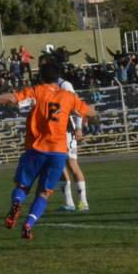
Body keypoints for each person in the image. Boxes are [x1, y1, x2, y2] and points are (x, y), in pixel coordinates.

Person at [0, 61, 94, 240]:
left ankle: (17, 203)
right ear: (58, 77)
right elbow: (89, 112)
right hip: (58, 152)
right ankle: (28, 224)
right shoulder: (68, 97)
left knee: (23, 186)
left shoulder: (37, 91)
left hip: (36, 148)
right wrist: (89, 116)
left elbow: (10, 98)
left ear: (41, 76)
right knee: (44, 193)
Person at [54, 70, 90, 212]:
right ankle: (69, 203)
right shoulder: (46, 86)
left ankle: (83, 202)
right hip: (54, 132)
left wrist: (79, 127)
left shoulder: (64, 85)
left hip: (66, 131)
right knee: (59, 165)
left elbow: (77, 106)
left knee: (72, 164)